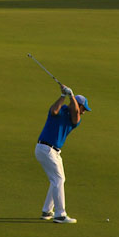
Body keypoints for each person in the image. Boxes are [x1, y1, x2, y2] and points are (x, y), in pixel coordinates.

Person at [35, 86, 91, 223]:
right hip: (45, 149)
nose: (83, 112)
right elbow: (53, 110)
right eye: (84, 108)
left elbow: (76, 115)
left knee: (59, 179)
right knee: (58, 180)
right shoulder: (60, 110)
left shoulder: (75, 118)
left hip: (53, 151)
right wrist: (62, 95)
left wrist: (71, 96)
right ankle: (60, 214)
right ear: (78, 105)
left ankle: (47, 210)